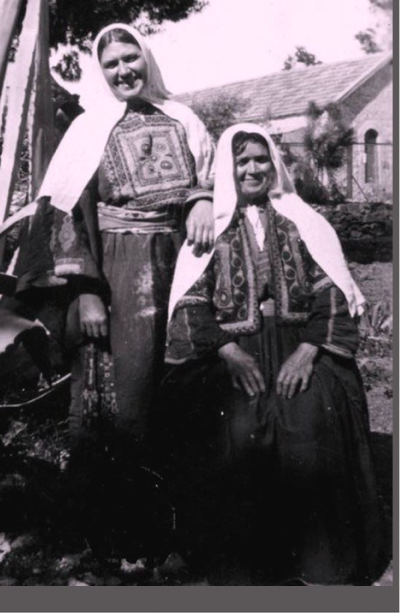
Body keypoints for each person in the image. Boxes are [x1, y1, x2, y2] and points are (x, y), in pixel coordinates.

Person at [15, 23, 215, 563]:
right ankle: (116, 530)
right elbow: (64, 215)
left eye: (132, 58)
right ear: (99, 73)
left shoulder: (185, 118)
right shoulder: (87, 130)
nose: (124, 69)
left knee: (186, 388)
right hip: (118, 271)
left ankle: (185, 532)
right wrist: (85, 292)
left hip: (184, 265)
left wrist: (202, 199)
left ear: (146, 59)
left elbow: (221, 180)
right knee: (124, 398)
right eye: (112, 64)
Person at [160, 122, 386, 585]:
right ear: (228, 168)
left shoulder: (305, 221)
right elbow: (189, 301)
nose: (252, 168)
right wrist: (227, 352)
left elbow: (333, 291)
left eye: (261, 159)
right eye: (242, 161)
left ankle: (318, 563)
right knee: (235, 430)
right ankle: (246, 565)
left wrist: (307, 351)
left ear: (274, 164)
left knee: (310, 418)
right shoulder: (211, 229)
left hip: (297, 344)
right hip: (230, 353)